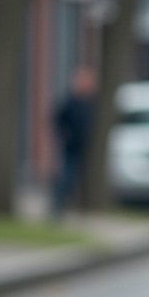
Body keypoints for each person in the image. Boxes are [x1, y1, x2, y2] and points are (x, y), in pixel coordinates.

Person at [51, 65, 96, 217]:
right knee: (67, 175)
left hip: (86, 145)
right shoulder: (70, 101)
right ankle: (58, 205)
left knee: (76, 176)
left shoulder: (90, 102)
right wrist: (66, 134)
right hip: (72, 146)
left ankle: (78, 205)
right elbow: (58, 119)